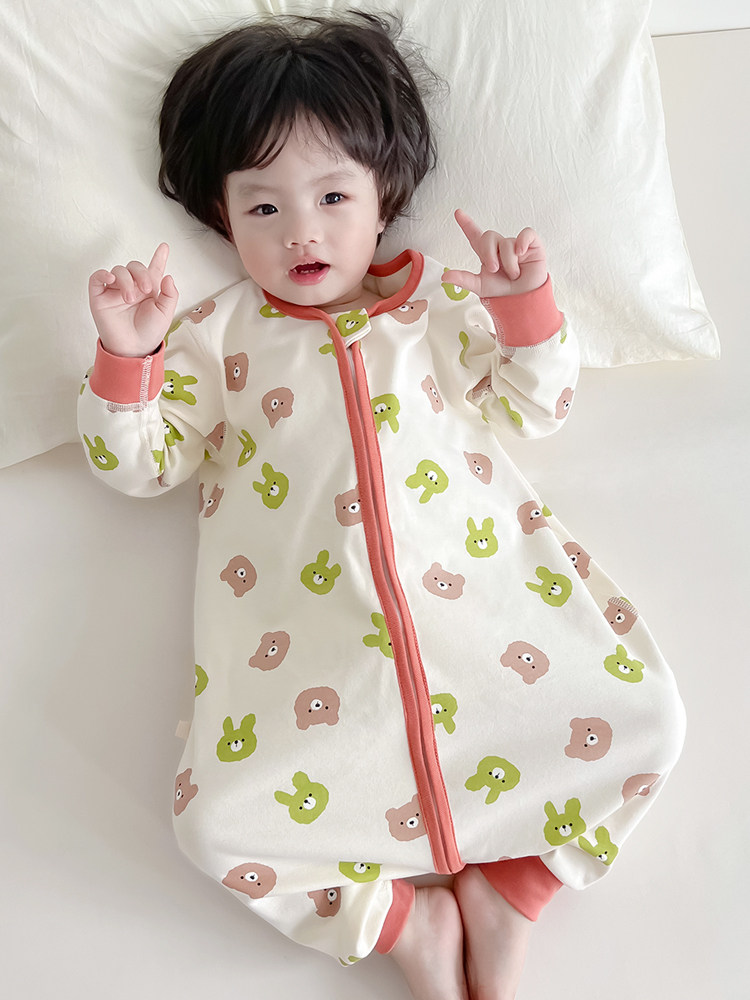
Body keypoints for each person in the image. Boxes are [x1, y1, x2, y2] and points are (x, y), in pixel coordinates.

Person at [78, 12, 686, 1000]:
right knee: (218, 826)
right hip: (315, 671)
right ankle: (404, 919)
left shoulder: (439, 304)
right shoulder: (214, 339)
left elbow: (536, 406)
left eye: (332, 195)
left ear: (384, 194)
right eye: (262, 206)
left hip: (492, 628)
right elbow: (137, 463)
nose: (301, 229)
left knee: (649, 721)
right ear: (220, 217)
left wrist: (523, 308)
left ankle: (515, 887)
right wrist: (128, 354)